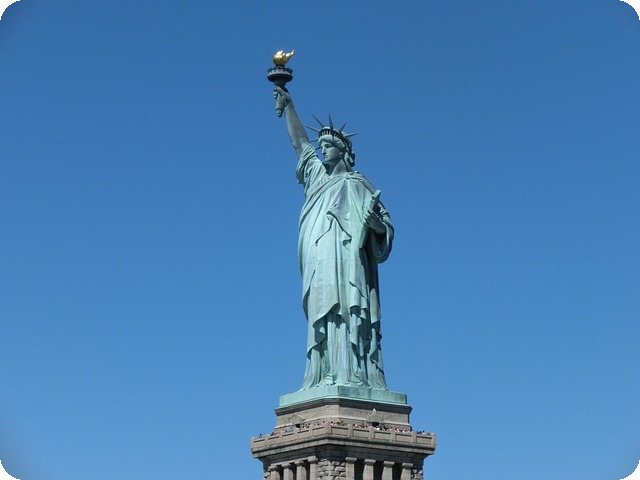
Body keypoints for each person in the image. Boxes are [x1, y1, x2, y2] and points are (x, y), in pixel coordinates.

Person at [274, 86, 394, 390]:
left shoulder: (358, 184)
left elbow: (384, 228)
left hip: (349, 262)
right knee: (323, 313)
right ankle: (322, 374)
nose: (323, 149)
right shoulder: (317, 179)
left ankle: (352, 374)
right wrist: (289, 106)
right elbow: (300, 144)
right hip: (320, 261)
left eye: (328, 146)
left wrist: (377, 226)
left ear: (342, 151)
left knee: (347, 312)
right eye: (322, 146)